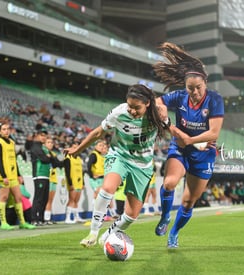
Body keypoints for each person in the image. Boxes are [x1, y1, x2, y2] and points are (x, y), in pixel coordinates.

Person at [64, 84, 168, 247]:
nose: (132, 111)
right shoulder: (119, 112)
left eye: (137, 108)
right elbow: (98, 132)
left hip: (142, 165)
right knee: (107, 188)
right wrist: (78, 149)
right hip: (119, 155)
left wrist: (195, 144)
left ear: (147, 103)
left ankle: (107, 235)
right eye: (130, 106)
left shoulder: (158, 114)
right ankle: (93, 232)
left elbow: (174, 132)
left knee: (132, 215)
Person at [153, 42, 224, 248]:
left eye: (198, 88)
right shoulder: (179, 97)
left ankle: (174, 233)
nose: (194, 92)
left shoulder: (214, 100)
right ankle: (165, 217)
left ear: (205, 83)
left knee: (188, 201)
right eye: (190, 88)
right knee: (169, 183)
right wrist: (162, 110)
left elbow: (214, 132)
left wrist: (190, 139)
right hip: (181, 149)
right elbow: (158, 101)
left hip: (204, 153)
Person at [0, 120, 35, 230]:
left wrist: (18, 174)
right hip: (4, 176)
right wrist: (3, 176)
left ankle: (22, 222)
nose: (6, 131)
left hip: (13, 176)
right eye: (4, 129)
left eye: (8, 129)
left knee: (18, 197)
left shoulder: (12, 142)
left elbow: (14, 160)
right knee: (4, 197)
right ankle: (3, 223)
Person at [30, 130, 61, 226]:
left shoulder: (46, 149)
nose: (43, 137)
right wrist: (47, 157)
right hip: (39, 175)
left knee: (44, 198)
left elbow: (55, 163)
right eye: (41, 135)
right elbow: (44, 159)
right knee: (38, 198)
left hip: (46, 176)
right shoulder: (36, 146)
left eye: (45, 136)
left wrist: (48, 157)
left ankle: (41, 218)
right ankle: (34, 219)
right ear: (37, 136)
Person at [86, 139, 116, 219]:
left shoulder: (101, 156)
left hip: (103, 178)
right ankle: (97, 215)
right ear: (95, 146)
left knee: (106, 196)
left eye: (103, 145)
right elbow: (88, 165)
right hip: (96, 179)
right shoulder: (93, 155)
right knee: (98, 195)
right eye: (100, 145)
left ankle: (110, 214)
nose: (102, 147)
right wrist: (91, 175)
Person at [63, 142, 85, 224]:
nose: (76, 149)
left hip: (79, 182)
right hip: (73, 182)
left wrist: (83, 183)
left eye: (77, 148)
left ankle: (76, 217)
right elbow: (67, 172)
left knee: (76, 200)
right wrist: (70, 183)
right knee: (71, 199)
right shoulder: (67, 158)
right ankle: (67, 217)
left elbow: (82, 172)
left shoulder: (79, 159)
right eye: (74, 147)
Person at [44, 137, 62, 224]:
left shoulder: (53, 154)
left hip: (54, 178)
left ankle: (48, 217)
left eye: (51, 142)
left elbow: (58, 164)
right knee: (46, 199)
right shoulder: (43, 153)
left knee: (51, 199)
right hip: (47, 178)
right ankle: (44, 217)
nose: (50, 144)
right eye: (48, 142)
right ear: (44, 144)